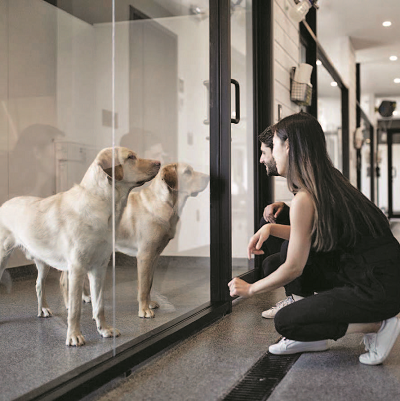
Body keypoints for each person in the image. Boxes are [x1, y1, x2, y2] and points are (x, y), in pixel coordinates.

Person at [229, 111, 400, 365]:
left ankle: (377, 324)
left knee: (286, 320)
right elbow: (305, 237)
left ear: (289, 147)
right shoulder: (328, 181)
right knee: (284, 257)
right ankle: (316, 332)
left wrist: (251, 288)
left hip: (377, 290)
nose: (271, 154)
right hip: (381, 279)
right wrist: (269, 229)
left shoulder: (306, 197)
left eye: (274, 146)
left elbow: (294, 267)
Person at [258, 128, 340, 319]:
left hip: (337, 261)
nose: (261, 159)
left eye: (264, 153)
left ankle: (300, 299)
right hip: (323, 245)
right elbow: (311, 218)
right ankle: (298, 295)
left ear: (285, 150)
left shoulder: (313, 183)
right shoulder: (303, 178)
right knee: (271, 221)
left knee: (278, 255)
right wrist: (284, 208)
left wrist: (250, 289)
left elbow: (313, 231)